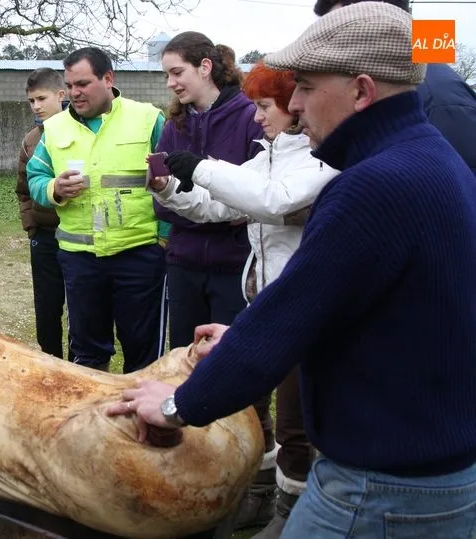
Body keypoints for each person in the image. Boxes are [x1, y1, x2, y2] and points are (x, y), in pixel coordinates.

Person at [107, 4, 476, 537]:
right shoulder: (431, 158)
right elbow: (370, 314)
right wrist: (242, 335)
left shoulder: (373, 186)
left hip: (381, 487)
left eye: (303, 86)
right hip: (434, 470)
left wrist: (176, 403)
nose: (294, 105)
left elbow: (289, 315)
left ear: (362, 91)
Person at [149, 63, 339, 538]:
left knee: (295, 421)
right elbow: (220, 207)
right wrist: (171, 189)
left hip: (303, 309)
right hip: (262, 305)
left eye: (265, 106)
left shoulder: (320, 159)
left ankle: (290, 511)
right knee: (254, 408)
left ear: (295, 108)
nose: (257, 118)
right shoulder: (266, 157)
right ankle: (256, 495)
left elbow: (272, 201)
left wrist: (203, 167)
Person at [152, 32, 270, 527]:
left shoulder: (249, 117)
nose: (171, 83)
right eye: (166, 75)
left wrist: (196, 201)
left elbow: (250, 201)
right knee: (183, 362)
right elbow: (164, 192)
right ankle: (188, 472)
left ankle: (251, 485)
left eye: (176, 71)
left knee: (238, 373)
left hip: (234, 267)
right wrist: (166, 190)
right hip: (183, 261)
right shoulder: (176, 124)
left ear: (205, 67)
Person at [26, 47, 169, 374]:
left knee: (143, 353)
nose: (74, 92)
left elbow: (172, 181)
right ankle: (93, 422)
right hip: (80, 260)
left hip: (139, 256)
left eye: (83, 84)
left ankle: (140, 422)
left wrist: (163, 241)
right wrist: (53, 189)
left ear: (108, 79)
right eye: (70, 85)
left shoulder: (148, 119)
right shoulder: (55, 128)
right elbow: (35, 177)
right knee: (88, 355)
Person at [314, 0, 476, 175]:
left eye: (336, 31)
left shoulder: (438, 97)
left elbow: (458, 191)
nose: (328, 46)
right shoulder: (376, 88)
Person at [16, 67, 73, 359]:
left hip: (77, 237)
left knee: (79, 310)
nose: (36, 106)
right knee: (47, 309)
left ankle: (79, 365)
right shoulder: (30, 140)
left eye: (41, 98)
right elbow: (23, 189)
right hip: (45, 238)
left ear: (61, 95)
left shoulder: (81, 131)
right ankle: (51, 362)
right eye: (31, 101)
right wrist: (32, 225)